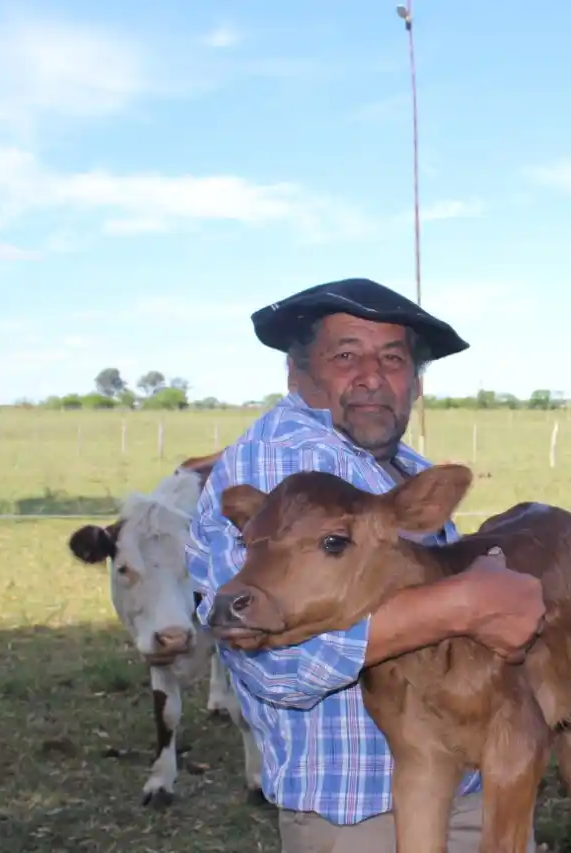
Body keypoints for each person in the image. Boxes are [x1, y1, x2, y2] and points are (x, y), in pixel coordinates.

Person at [185, 277, 547, 853]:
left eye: (393, 359)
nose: (372, 377)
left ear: (415, 381)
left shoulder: (398, 466)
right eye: (346, 355)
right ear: (298, 374)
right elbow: (275, 665)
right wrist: (464, 604)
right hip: (361, 816)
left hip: (467, 777)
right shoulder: (288, 462)